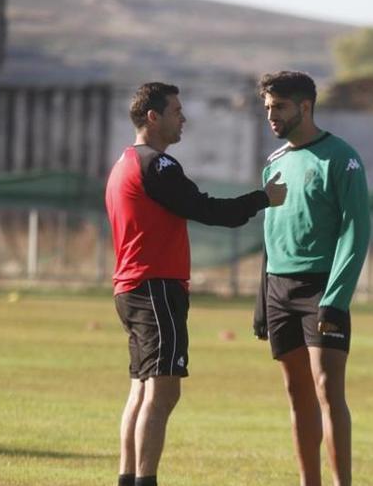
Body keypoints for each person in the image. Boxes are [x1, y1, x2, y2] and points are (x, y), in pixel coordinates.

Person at [105, 81, 287, 486]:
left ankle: (128, 478)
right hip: (155, 288)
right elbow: (206, 208)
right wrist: (264, 199)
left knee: (142, 387)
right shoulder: (158, 165)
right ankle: (144, 480)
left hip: (132, 288)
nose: (183, 118)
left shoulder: (124, 162)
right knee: (165, 390)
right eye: (176, 111)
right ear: (153, 117)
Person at [252, 71, 370, 486]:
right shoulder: (274, 164)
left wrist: (336, 299)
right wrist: (262, 297)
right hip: (279, 289)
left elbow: (357, 230)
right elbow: (270, 234)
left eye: (279, 107)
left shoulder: (342, 157)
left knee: (326, 388)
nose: (271, 116)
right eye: (268, 108)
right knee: (296, 393)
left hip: (322, 288)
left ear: (305, 106)